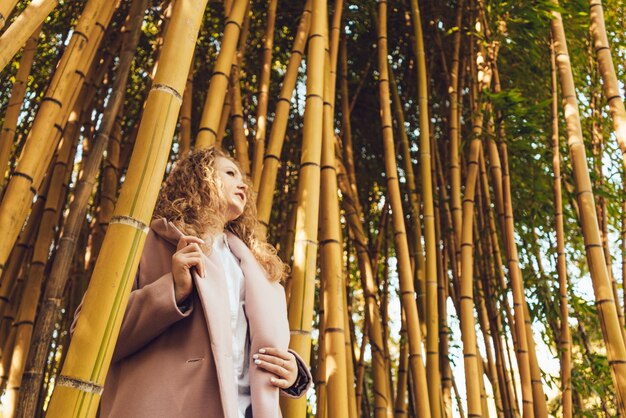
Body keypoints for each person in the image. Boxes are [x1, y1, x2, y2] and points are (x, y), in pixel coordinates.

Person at [98, 147, 311, 418]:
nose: (243, 184)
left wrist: (293, 373)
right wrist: (172, 291)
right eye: (230, 173)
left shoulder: (259, 269)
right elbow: (91, 334)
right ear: (201, 178)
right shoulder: (146, 242)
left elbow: (244, 348)